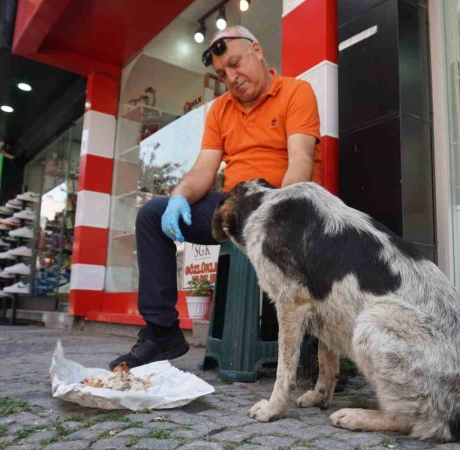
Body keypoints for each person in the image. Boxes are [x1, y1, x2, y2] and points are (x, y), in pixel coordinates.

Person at [110, 26, 324, 370]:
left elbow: (300, 159)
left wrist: (279, 211)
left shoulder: (296, 92)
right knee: (151, 215)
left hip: (288, 200)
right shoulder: (221, 110)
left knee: (306, 220)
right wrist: (179, 196)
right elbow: (202, 171)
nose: (232, 77)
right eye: (223, 74)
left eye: (236, 64)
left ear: (257, 50)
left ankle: (311, 345)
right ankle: (161, 332)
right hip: (237, 206)